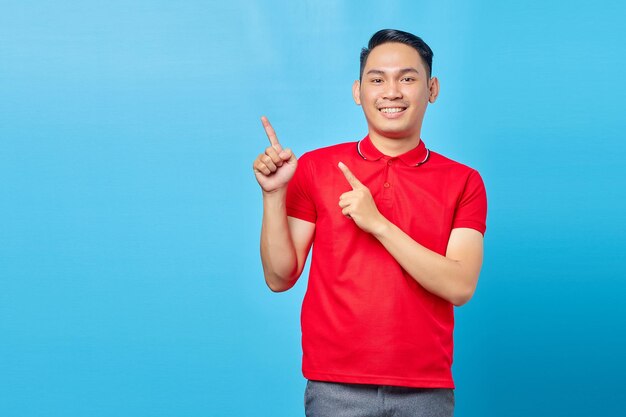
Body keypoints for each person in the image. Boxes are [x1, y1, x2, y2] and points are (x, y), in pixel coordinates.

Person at [252, 29, 487, 417]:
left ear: (432, 89)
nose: (391, 92)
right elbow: (279, 277)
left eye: (407, 78)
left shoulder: (463, 181)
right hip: (334, 386)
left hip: (425, 390)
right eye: (377, 80)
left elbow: (459, 286)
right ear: (358, 91)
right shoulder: (315, 168)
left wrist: (378, 224)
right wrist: (273, 195)